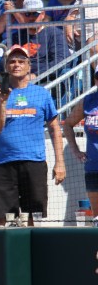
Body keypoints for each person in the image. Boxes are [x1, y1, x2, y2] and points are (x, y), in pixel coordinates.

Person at [0, 44, 65, 225]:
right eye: (12, 61)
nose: (16, 65)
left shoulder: (41, 94)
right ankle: (1, 252)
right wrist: (3, 103)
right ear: (6, 67)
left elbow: (55, 128)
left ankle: (32, 252)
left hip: (34, 161)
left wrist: (60, 163)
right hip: (5, 163)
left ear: (29, 66)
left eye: (21, 61)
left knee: (32, 216)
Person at [61, 65, 98, 216]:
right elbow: (68, 124)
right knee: (97, 217)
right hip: (93, 167)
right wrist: (75, 151)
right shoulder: (88, 101)